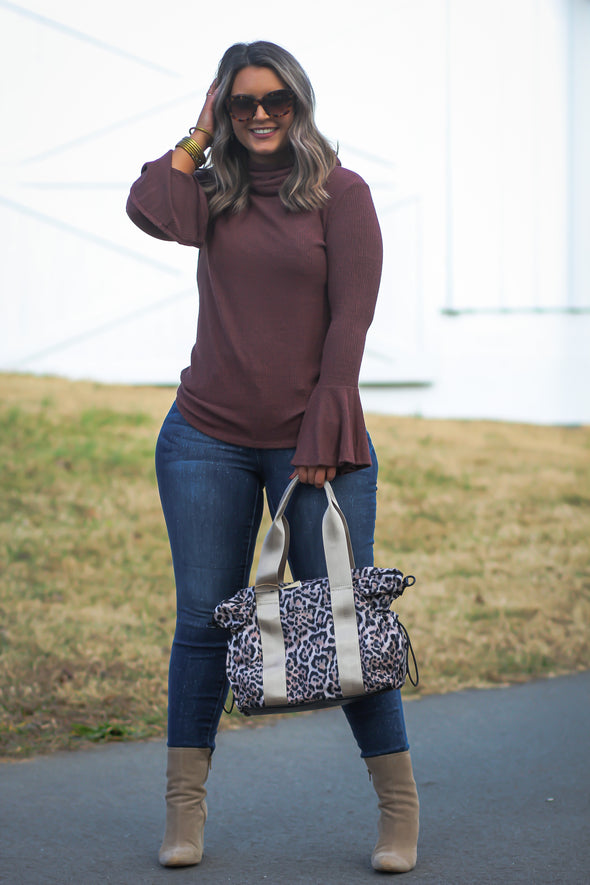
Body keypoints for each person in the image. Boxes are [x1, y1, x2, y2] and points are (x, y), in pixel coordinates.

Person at [126, 40, 419, 874]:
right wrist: (194, 134)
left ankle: (398, 810)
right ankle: (185, 813)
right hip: (203, 435)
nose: (262, 116)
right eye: (244, 102)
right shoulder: (210, 192)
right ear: (225, 106)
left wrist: (326, 429)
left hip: (313, 439)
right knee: (201, 621)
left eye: (276, 101)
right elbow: (153, 209)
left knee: (343, 620)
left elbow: (350, 324)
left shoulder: (340, 193)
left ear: (301, 102)